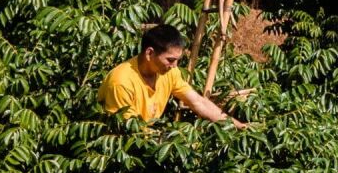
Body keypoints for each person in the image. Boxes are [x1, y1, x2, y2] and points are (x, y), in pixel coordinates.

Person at [99, 24, 246, 128]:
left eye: (177, 60)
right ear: (149, 53)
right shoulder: (121, 82)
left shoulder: (170, 73)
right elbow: (127, 131)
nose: (175, 66)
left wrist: (238, 126)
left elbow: (198, 102)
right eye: (170, 60)